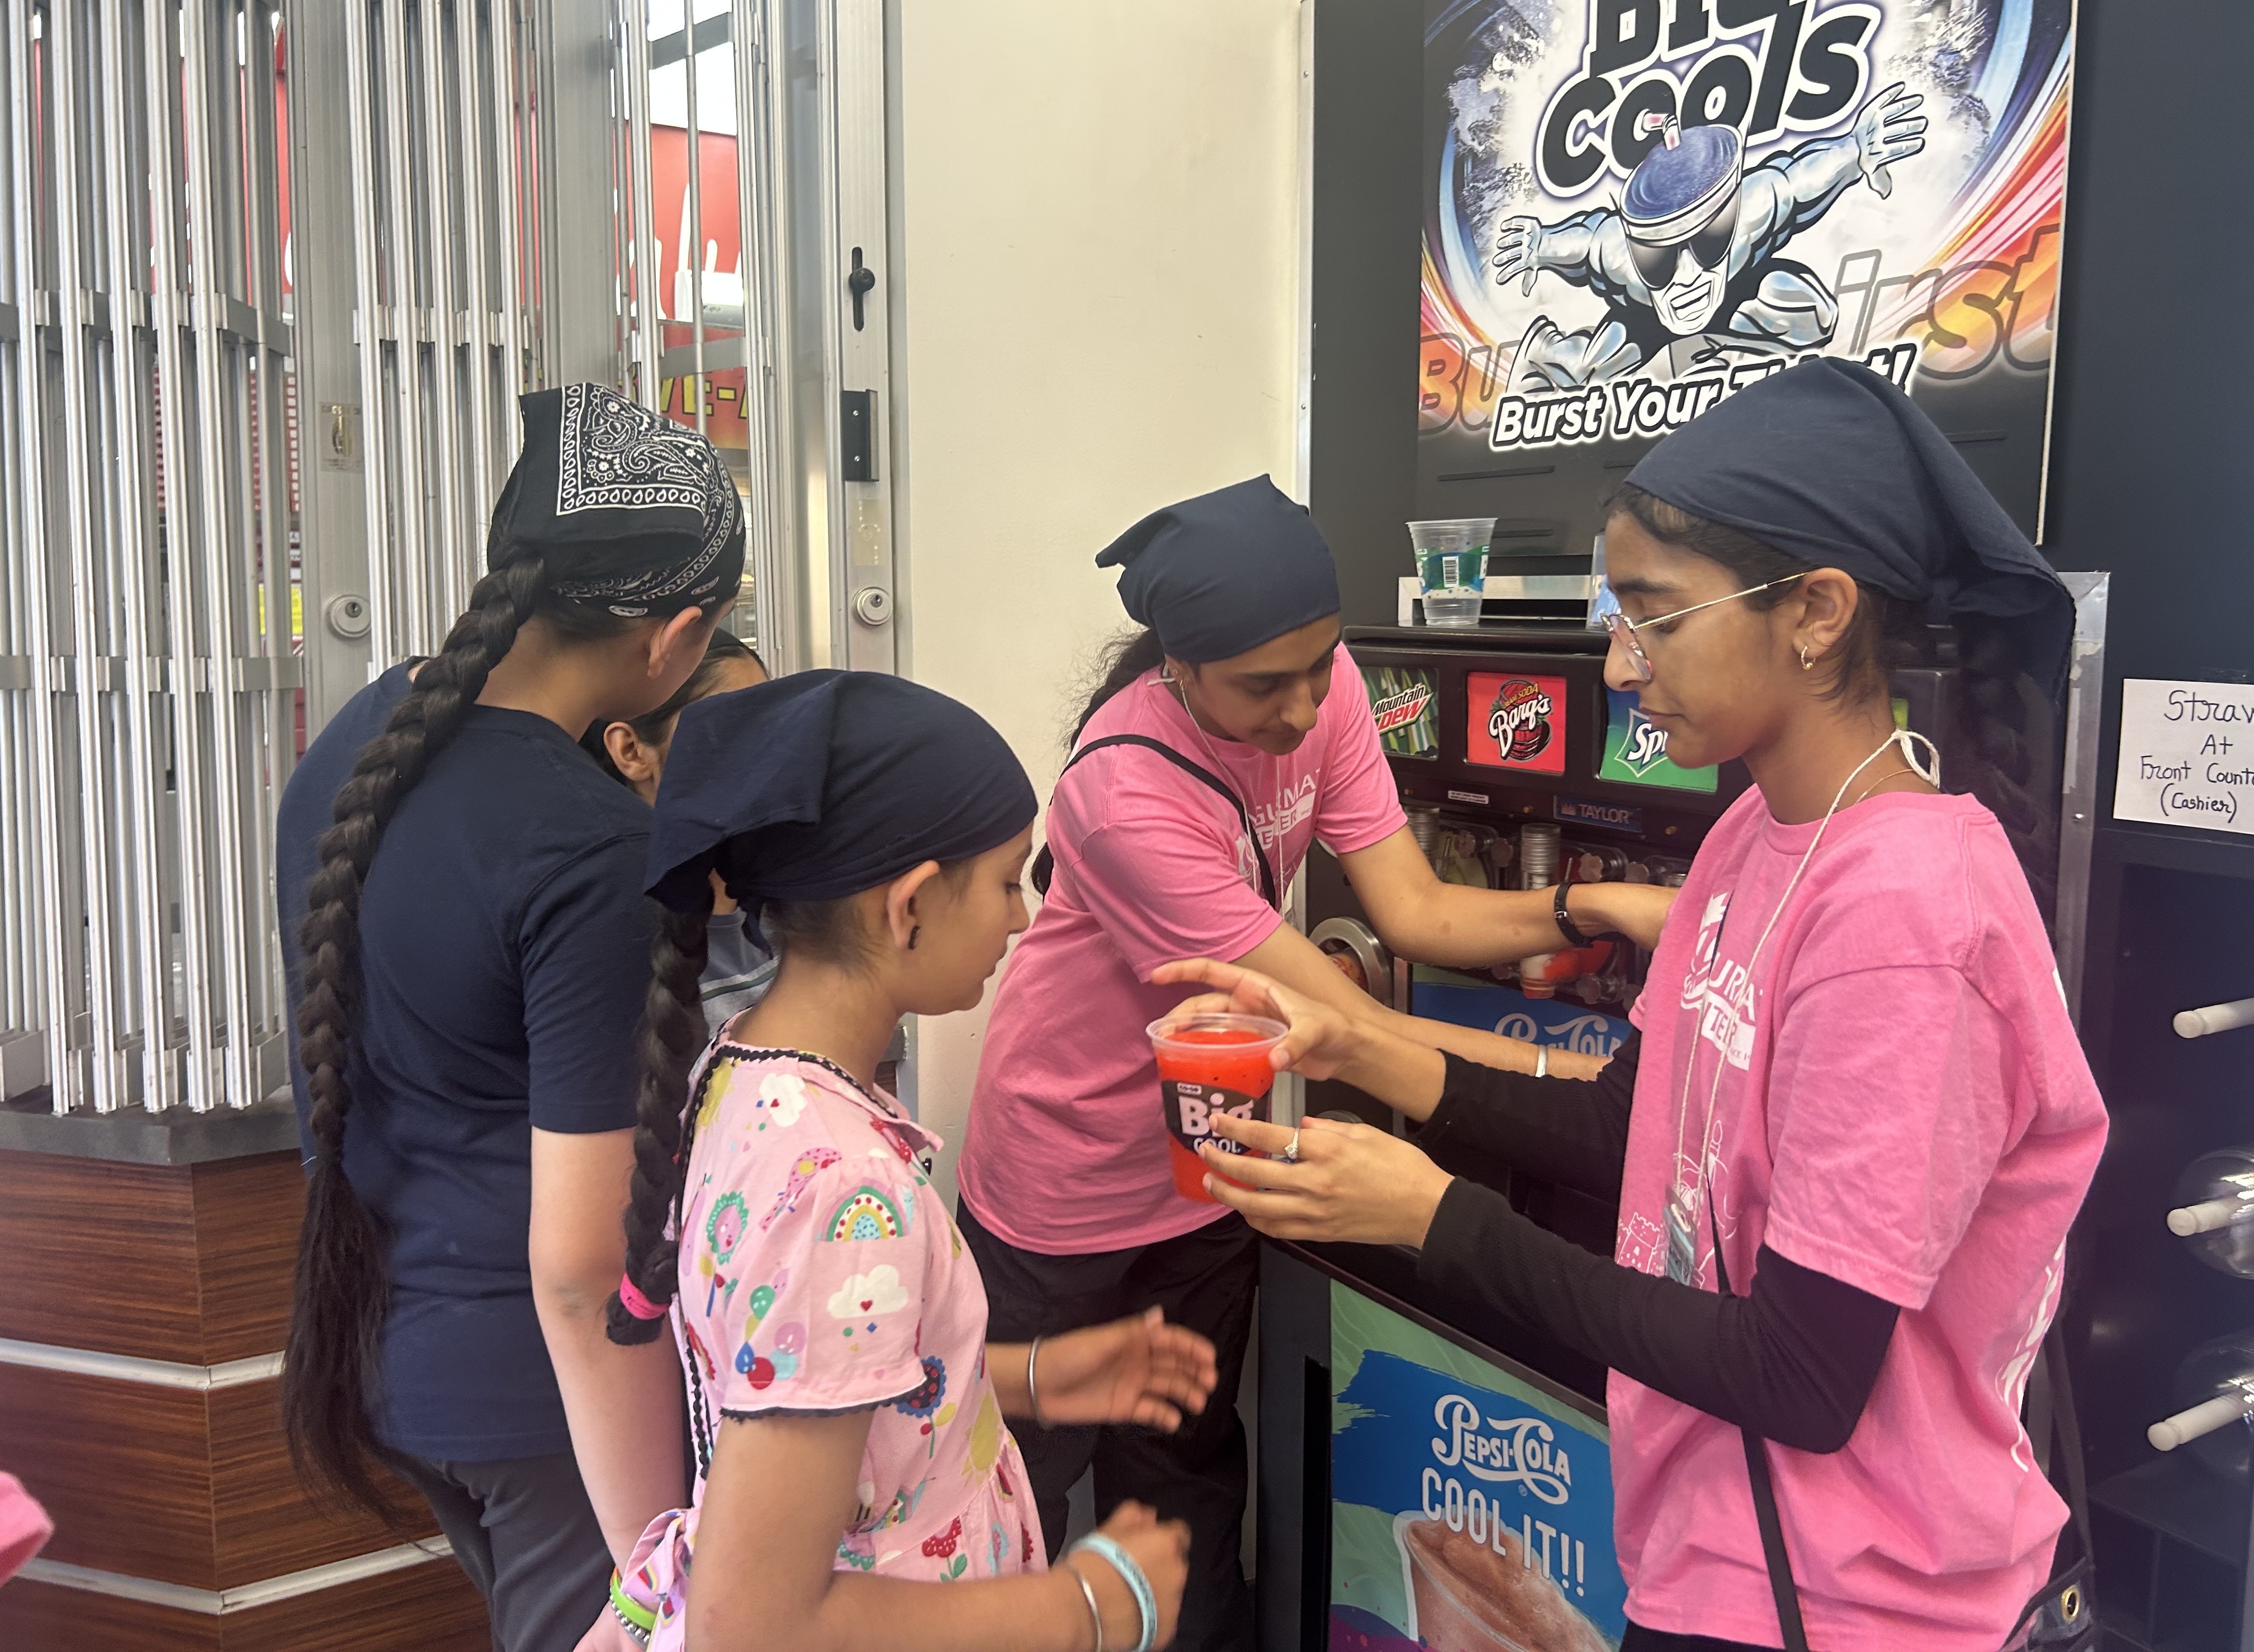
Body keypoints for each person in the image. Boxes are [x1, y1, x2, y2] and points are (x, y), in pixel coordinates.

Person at [1155, 359, 2108, 1652]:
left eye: (1654, 618)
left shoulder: (1907, 922)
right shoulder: (1748, 843)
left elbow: (1802, 1375)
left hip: (1855, 1607)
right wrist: (1364, 1048)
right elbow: (1629, 1125)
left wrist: (1434, 1217)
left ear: (1816, 611)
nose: (1616, 664)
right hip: (1712, 1559)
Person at [954, 475, 1676, 1649]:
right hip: (1062, 1179)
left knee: (1186, 1482)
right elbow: (1343, 1022)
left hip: (1205, 1158)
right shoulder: (1121, 791)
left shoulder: (1328, 689)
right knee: (1012, 1495)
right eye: (1262, 686)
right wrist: (1591, 1095)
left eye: (1317, 664)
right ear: (1177, 667)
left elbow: (1419, 911)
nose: (1302, 706)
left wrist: (1595, 904)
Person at [601, 671, 1218, 1652]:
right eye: (1009, 880)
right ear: (912, 904)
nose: (1021, 918)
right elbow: (753, 1625)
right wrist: (1081, 1606)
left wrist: (1031, 1376)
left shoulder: (746, 1075)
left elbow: (826, 1371)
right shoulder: (840, 1188)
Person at [274, 383, 744, 1652]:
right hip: (545, 1399)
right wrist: (658, 1562)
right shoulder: (592, 849)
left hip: (388, 1344)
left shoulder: (359, 741)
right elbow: (582, 1271)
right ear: (676, 637)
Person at [584, 628, 776, 1030]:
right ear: (631, 751)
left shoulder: (790, 896)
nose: (765, 753)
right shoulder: (610, 932)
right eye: (732, 726)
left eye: (770, 723)